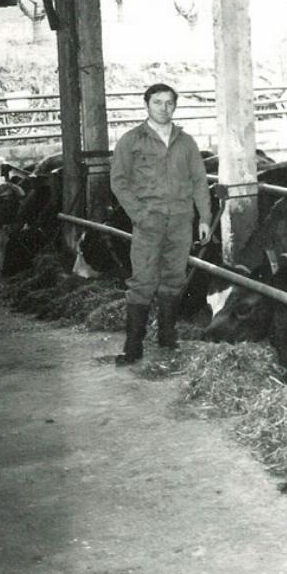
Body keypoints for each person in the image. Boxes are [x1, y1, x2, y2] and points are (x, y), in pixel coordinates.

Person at [109, 83, 211, 365]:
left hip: (180, 220)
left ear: (175, 106)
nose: (164, 108)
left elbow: (199, 181)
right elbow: (118, 181)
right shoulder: (131, 140)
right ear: (147, 105)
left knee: (174, 279)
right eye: (157, 103)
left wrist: (204, 217)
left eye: (169, 103)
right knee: (143, 280)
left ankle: (168, 336)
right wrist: (138, 214)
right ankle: (133, 346)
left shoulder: (186, 142)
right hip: (148, 220)